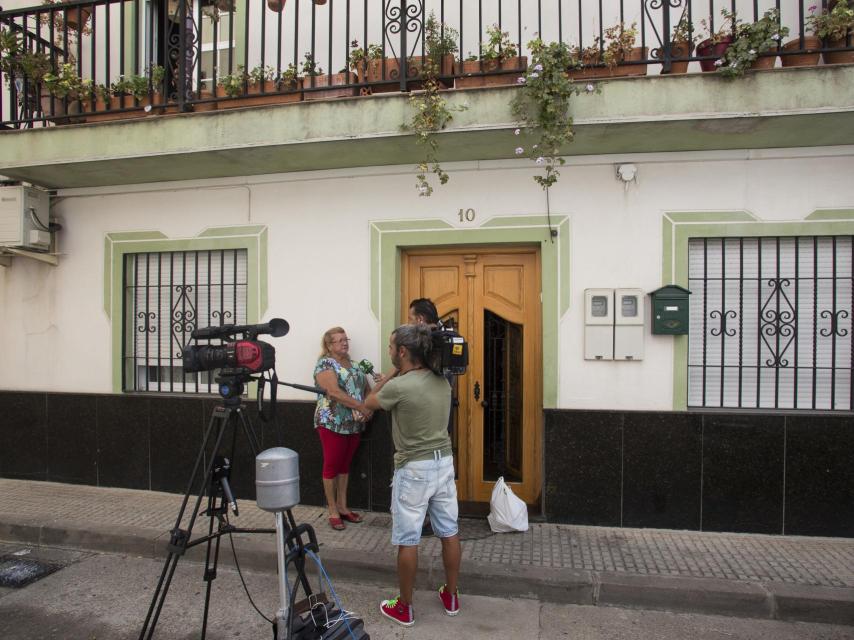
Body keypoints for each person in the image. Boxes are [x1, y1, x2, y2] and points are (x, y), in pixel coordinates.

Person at [362, 324, 461, 626]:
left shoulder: (398, 386)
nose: (390, 352)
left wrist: (391, 375)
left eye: (391, 348)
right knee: (449, 531)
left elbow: (369, 402)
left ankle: (404, 606)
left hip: (414, 468)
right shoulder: (442, 381)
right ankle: (452, 596)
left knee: (408, 539)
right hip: (443, 462)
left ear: (402, 352)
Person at [313, 327, 372, 531]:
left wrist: (368, 405)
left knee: (345, 465)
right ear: (329, 345)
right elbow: (334, 393)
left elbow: (367, 390)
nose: (344, 343)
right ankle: (332, 510)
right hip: (332, 421)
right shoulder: (325, 364)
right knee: (332, 465)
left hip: (354, 423)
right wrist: (361, 407)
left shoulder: (355, 365)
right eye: (338, 341)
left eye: (345, 339)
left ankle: (343, 506)